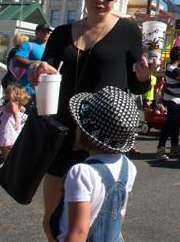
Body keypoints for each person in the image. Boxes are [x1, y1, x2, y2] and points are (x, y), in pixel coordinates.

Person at [29, 0, 155, 241]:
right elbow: (45, 67)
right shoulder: (61, 33)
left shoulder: (128, 31)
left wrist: (145, 78)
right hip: (61, 132)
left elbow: (135, 83)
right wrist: (34, 70)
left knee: (103, 224)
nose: (100, 0)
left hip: (103, 137)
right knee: (52, 222)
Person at [49, 86, 139, 242]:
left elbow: (78, 232)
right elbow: (119, 215)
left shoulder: (81, 173)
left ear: (84, 132)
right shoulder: (128, 166)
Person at [156, 46, 180, 160]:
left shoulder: (170, 67)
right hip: (175, 100)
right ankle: (160, 148)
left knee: (176, 125)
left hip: (176, 99)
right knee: (170, 125)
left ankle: (174, 147)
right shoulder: (175, 70)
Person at [14, 23, 53, 104]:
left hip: (46, 90)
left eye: (48, 32)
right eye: (43, 31)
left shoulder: (51, 48)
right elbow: (17, 60)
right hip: (28, 90)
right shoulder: (28, 45)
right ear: (36, 33)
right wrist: (36, 63)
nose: (46, 33)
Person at [0, 83, 31, 161]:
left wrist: (16, 121)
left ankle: (7, 160)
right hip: (11, 124)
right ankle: (11, 159)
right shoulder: (17, 103)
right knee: (10, 142)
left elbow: (15, 112)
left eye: (8, 93)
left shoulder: (12, 103)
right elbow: (22, 110)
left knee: (5, 144)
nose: (7, 94)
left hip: (9, 125)